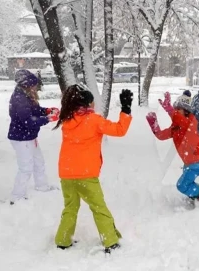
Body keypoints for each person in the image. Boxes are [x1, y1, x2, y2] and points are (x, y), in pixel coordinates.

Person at [53, 85, 133, 254]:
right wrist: (125, 109)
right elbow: (119, 130)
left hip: (66, 174)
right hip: (86, 175)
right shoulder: (93, 120)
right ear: (88, 104)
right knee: (99, 208)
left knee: (70, 208)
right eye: (92, 103)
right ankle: (110, 241)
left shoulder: (67, 120)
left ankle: (62, 240)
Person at [146, 94, 199, 208]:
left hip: (197, 162)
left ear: (186, 111)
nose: (176, 111)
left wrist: (169, 108)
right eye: (175, 109)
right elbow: (161, 136)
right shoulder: (176, 127)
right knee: (187, 183)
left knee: (181, 185)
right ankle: (196, 196)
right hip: (189, 162)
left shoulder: (190, 121)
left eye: (179, 109)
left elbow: (178, 118)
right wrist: (154, 125)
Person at [7, 69, 60, 205]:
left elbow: (34, 111)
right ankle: (17, 196)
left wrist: (46, 110)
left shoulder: (25, 95)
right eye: (33, 84)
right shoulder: (19, 98)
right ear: (27, 84)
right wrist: (47, 118)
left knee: (38, 162)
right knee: (25, 167)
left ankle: (42, 186)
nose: (36, 87)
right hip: (21, 138)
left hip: (29, 137)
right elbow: (28, 121)